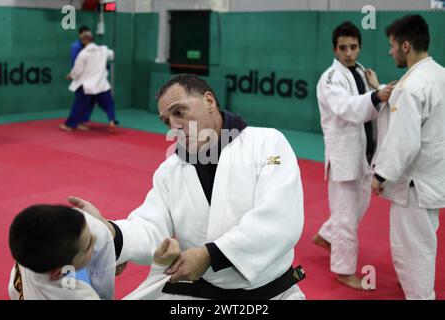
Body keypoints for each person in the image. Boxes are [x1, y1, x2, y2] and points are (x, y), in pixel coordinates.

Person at [69, 73, 306, 300]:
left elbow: (280, 218)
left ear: (209, 100)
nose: (174, 126)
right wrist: (112, 233)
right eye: (167, 121)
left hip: (273, 293)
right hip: (201, 294)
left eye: (179, 112)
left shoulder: (266, 143)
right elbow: (150, 226)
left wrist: (210, 254)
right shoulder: (170, 170)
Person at [313, 21, 394, 290]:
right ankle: (344, 270)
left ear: (359, 47)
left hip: (364, 154)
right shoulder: (331, 78)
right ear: (335, 49)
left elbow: (371, 101)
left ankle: (326, 236)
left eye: (354, 47)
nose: (349, 52)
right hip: (344, 157)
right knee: (346, 217)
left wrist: (376, 87)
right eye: (343, 48)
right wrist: (377, 94)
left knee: (359, 206)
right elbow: (346, 108)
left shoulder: (360, 71)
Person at [371, 14, 445, 300]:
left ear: (405, 45)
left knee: (411, 251)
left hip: (414, 183)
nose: (389, 52)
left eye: (391, 46)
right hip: (432, 178)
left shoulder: (412, 86)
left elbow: (405, 140)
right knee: (423, 245)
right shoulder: (439, 75)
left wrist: (381, 176)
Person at [8, 204, 116, 300]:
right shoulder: (83, 296)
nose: (95, 238)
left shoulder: (29, 252)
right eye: (88, 246)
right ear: (59, 272)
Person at [60, 30, 118, 133]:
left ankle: (69, 125)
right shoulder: (103, 49)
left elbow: (77, 71)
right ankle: (111, 121)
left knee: (78, 105)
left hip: (86, 86)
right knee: (109, 104)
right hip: (101, 85)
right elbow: (111, 54)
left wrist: (70, 76)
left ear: (83, 41)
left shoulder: (83, 54)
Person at [67, 25, 96, 131]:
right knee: (80, 100)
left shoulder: (91, 47)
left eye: (88, 33)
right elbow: (76, 64)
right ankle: (74, 122)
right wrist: (73, 75)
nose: (86, 35)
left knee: (89, 99)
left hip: (90, 77)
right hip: (80, 77)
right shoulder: (76, 47)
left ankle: (82, 120)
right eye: (84, 34)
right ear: (80, 35)